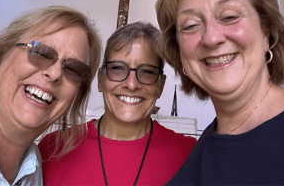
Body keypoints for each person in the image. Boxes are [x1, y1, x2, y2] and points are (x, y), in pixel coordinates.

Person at [156, 0, 284, 185]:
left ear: (266, 32)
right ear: (179, 53)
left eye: (229, 16)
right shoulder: (206, 148)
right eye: (191, 25)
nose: (211, 38)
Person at [39, 21, 197, 186]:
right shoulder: (53, 148)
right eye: (118, 68)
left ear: (160, 86)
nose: (131, 84)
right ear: (100, 79)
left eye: (147, 72)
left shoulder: (190, 154)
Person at [0, 6, 101, 186]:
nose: (54, 74)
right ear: (2, 56)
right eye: (40, 52)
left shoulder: (33, 168)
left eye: (73, 69)